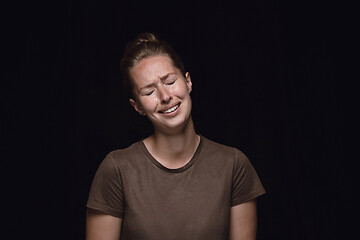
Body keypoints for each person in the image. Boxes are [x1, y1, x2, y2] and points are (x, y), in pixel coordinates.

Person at [86, 33, 265, 240]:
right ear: (137, 107)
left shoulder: (234, 165)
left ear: (188, 81)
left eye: (170, 81)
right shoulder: (116, 169)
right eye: (149, 91)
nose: (165, 96)